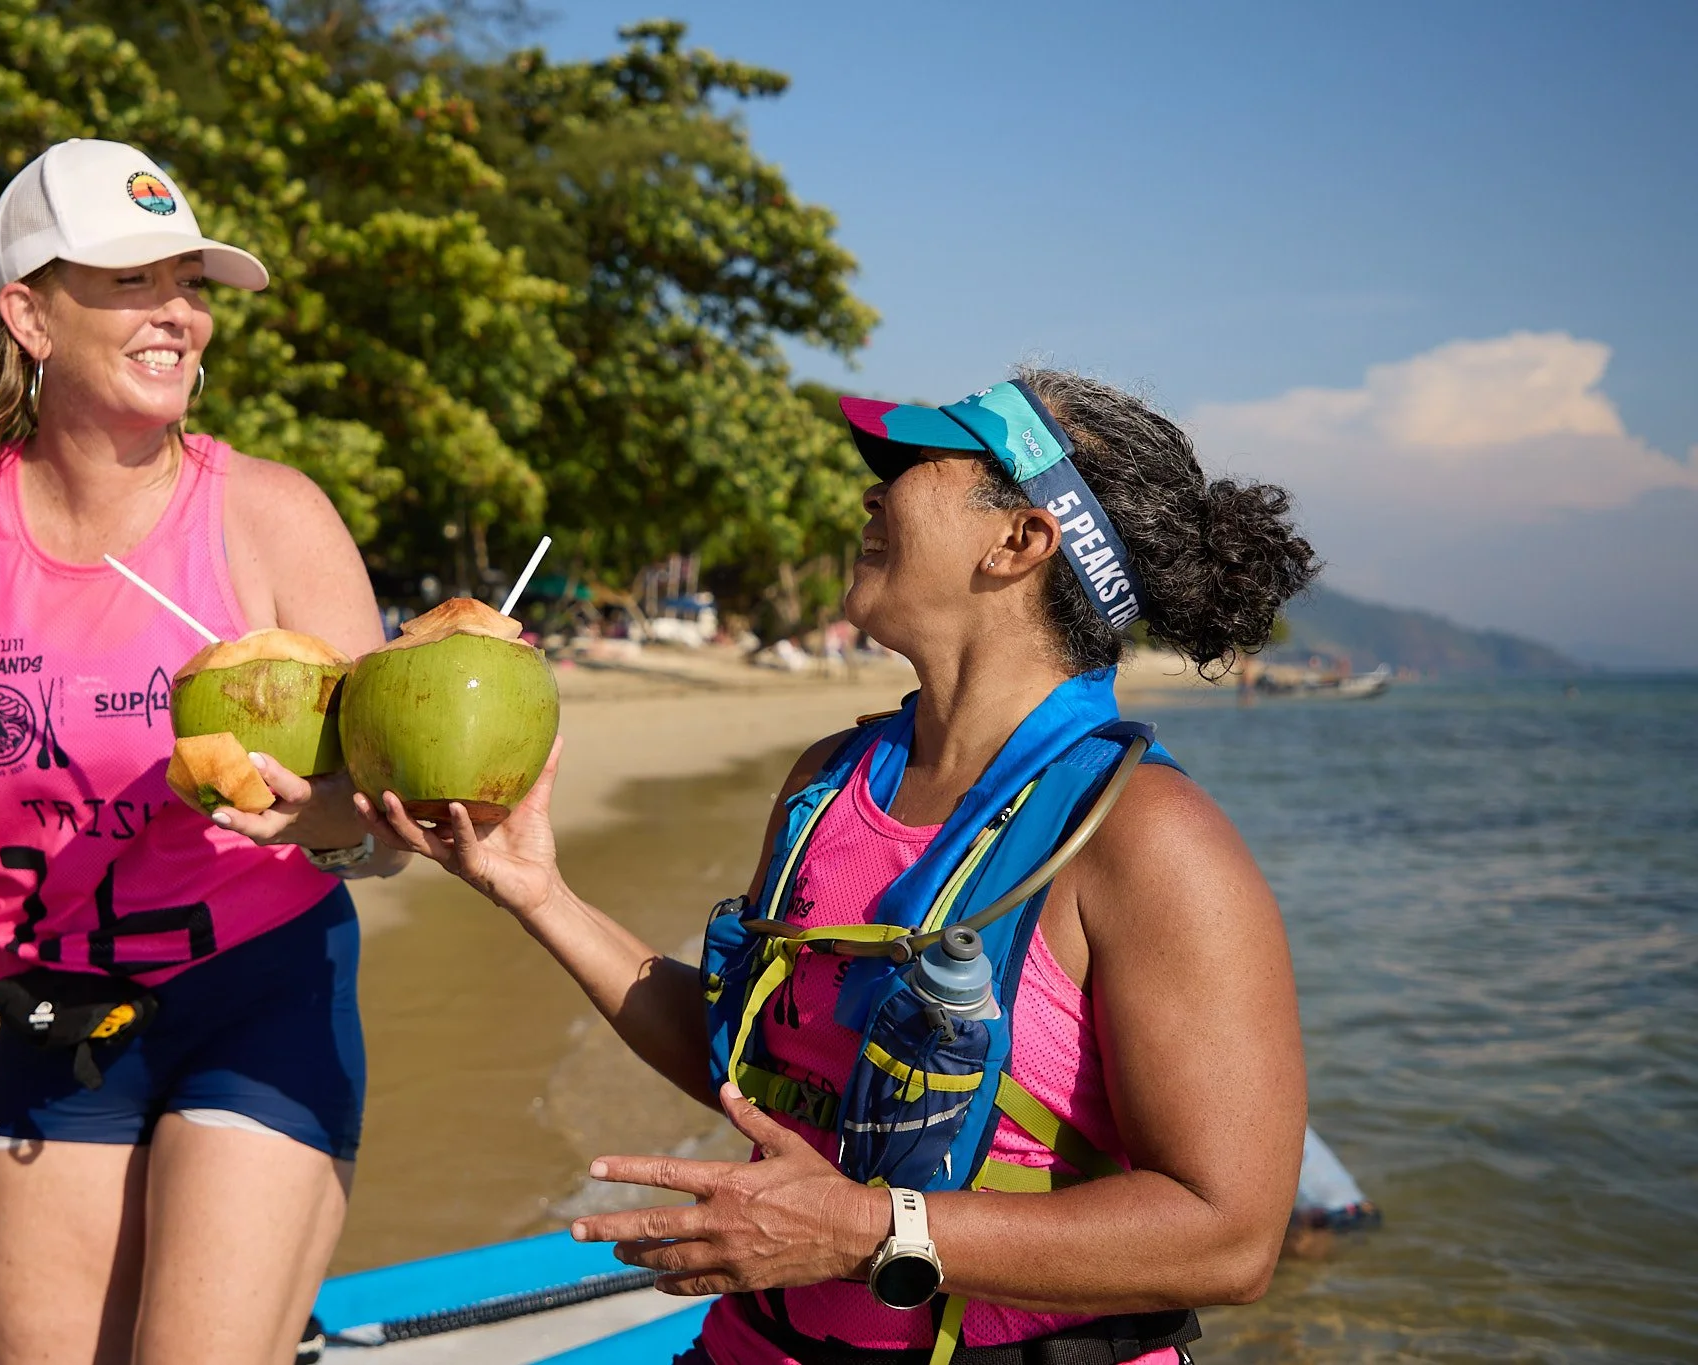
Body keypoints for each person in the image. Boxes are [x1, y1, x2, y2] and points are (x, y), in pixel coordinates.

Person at [363, 372, 1318, 1364]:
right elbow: (762, 1074)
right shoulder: (828, 782)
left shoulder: (1142, 836)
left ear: (1019, 541)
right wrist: (538, 893)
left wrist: (862, 1231)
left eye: (911, 470)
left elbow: (1228, 1235)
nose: (871, 496)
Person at [0, 139, 403, 1365]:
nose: (179, 313)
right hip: (59, 1014)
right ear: (29, 312)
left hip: (262, 994)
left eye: (187, 283)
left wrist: (317, 822)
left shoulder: (271, 516)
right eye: (133, 281)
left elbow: (387, 824)